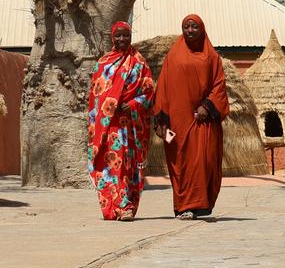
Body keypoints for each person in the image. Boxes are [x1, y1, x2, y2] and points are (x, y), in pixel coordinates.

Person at [153, 14, 229, 219]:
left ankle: (199, 205)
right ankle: (183, 206)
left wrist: (207, 106)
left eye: (194, 27)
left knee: (203, 162)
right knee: (180, 164)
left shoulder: (212, 57)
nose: (190, 31)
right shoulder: (173, 56)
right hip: (177, 123)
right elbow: (162, 88)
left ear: (202, 29)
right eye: (186, 27)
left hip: (202, 121)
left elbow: (219, 86)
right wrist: (161, 121)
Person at [86, 20, 155, 221]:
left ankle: (127, 206)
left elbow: (149, 92)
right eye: (118, 35)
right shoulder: (103, 63)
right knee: (110, 165)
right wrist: (108, 111)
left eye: (126, 35)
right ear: (112, 37)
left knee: (126, 165)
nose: (122, 39)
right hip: (108, 127)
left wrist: (132, 105)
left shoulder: (139, 62)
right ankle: (115, 206)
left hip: (130, 126)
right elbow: (96, 97)